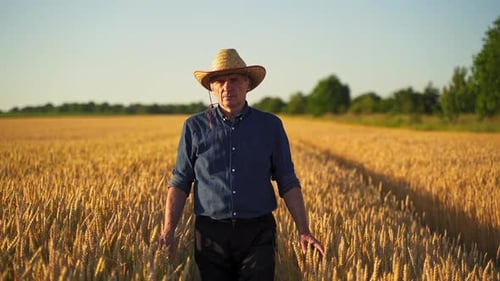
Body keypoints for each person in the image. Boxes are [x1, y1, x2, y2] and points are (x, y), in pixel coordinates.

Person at [159, 48, 324, 280]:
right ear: (212, 88)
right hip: (210, 234)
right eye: (220, 81)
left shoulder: (270, 126)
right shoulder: (193, 128)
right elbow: (180, 181)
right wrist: (168, 230)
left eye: (234, 80)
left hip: (258, 232)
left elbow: (287, 180)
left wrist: (304, 230)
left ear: (247, 84)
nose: (227, 87)